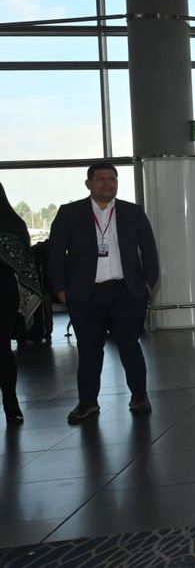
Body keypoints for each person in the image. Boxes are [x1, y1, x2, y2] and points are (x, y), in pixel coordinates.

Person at [47, 163, 160, 425]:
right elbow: (55, 255)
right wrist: (61, 290)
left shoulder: (133, 212)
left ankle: (140, 396)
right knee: (88, 350)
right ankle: (87, 403)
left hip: (126, 291)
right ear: (88, 184)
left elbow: (150, 251)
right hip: (85, 294)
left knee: (130, 346)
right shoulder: (70, 213)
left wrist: (147, 284)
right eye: (101, 179)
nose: (107, 184)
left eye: (112, 179)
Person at [1, 182, 42, 425]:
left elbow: (23, 261)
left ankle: (10, 400)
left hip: (2, 293)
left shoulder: (11, 223)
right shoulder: (12, 222)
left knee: (2, 349)